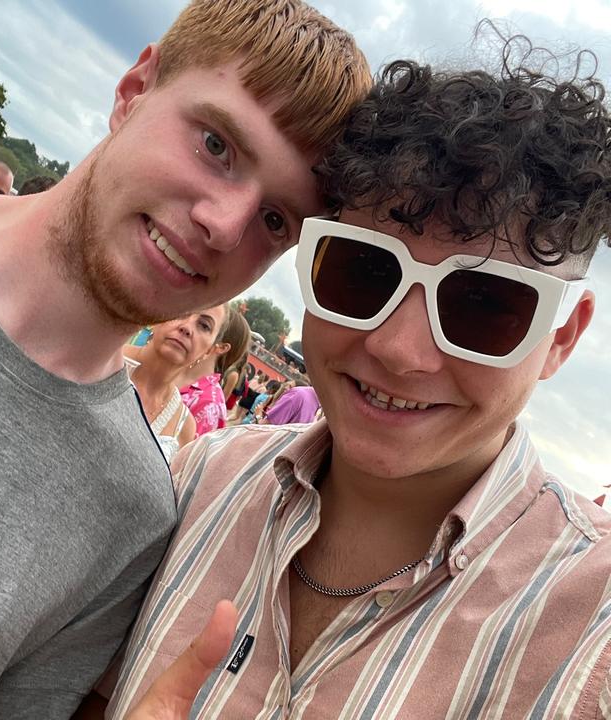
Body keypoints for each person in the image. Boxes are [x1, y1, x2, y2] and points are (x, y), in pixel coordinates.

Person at [101, 38, 611, 720]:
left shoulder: (593, 628)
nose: (400, 350)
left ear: (562, 337)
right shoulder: (195, 482)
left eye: (484, 305)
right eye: (364, 271)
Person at [0, 2, 370, 718]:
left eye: (275, 220)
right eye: (216, 145)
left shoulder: (133, 510)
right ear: (135, 89)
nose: (223, 225)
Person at [124, 304, 231, 460]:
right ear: (158, 317)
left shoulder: (184, 427)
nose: (187, 328)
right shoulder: (103, 358)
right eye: (182, 311)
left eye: (204, 325)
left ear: (209, 351)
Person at [177, 307, 251, 437]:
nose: (187, 326)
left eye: (204, 326)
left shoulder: (209, 406)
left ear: (222, 347)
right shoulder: (173, 368)